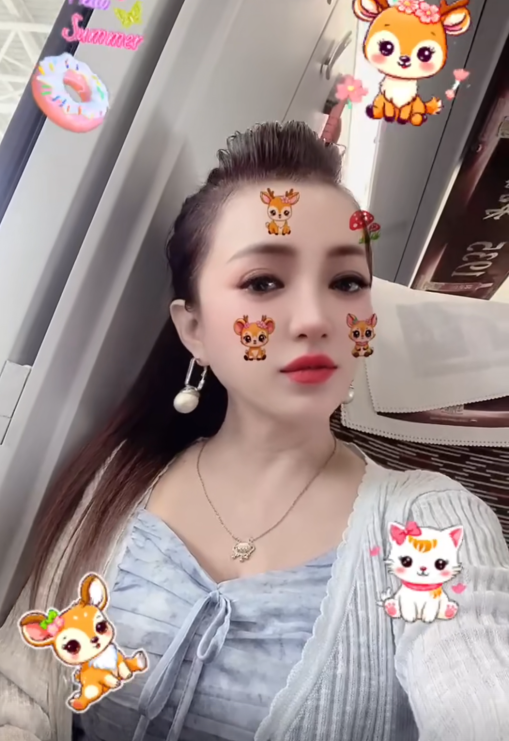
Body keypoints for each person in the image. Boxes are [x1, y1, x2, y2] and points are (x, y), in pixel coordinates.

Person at [0, 121, 508, 741]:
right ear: (193, 329)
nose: (316, 318)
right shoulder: (115, 484)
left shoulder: (432, 523)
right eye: (263, 282)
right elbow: (20, 693)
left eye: (347, 282)